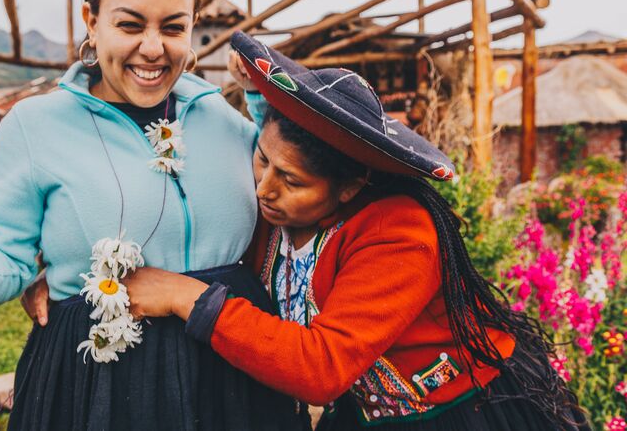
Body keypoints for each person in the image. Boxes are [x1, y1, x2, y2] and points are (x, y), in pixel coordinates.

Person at [115, 32, 591, 430]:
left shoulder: (399, 235)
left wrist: (187, 298)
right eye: (262, 159)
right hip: (363, 409)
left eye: (292, 181)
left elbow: (321, 367)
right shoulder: (280, 200)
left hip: (454, 411)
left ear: (349, 187)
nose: (263, 188)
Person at [0, 0, 306, 430]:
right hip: (103, 382)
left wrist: (267, 102)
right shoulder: (36, 127)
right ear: (91, 21)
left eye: (173, 27)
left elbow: (294, 196)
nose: (152, 48)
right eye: (129, 24)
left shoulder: (221, 118)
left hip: (231, 369)